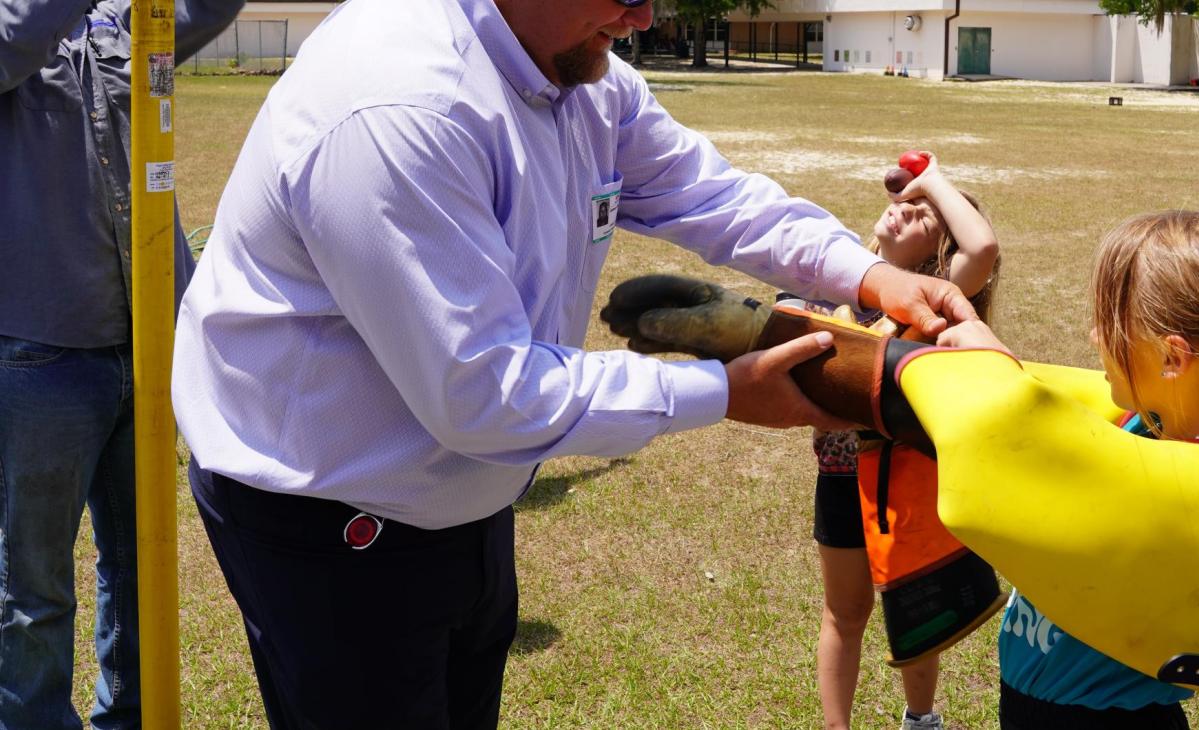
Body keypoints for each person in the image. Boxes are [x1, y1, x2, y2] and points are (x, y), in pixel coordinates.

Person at [168, 0, 978, 727]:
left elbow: (709, 194)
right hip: (330, 514)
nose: (645, 18)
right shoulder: (396, 103)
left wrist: (869, 273)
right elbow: (487, 394)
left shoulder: (575, 67)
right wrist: (720, 391)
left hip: (461, 494)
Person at [939, 210, 1199, 730]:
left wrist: (991, 382)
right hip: (1037, 706)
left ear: (1173, 357)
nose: (1092, 335)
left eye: (1108, 322)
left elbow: (1051, 494)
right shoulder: (1150, 432)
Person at [0, 2, 244, 729]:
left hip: (147, 347)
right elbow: (18, 36)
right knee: (33, 585)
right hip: (41, 354)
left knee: (142, 565)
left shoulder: (120, 24)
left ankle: (131, 716)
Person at [809, 153, 999, 730]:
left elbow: (983, 250)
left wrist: (931, 179)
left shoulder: (932, 299)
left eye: (921, 214)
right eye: (901, 202)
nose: (902, 209)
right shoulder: (839, 286)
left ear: (938, 255)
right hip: (841, 481)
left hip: (907, 481)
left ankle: (920, 719)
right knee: (844, 613)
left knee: (917, 611)